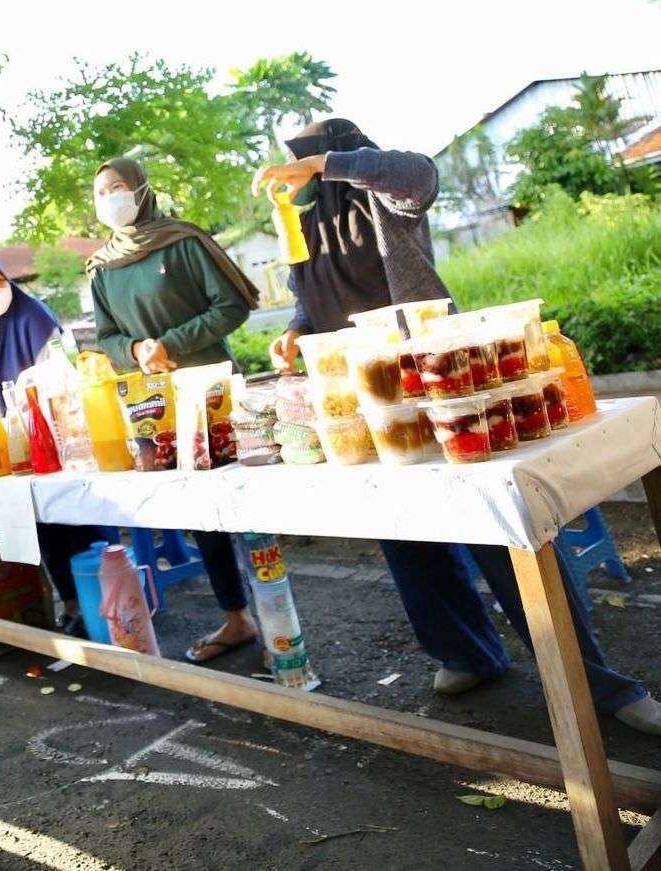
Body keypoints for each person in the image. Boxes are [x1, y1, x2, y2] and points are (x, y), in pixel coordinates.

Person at [254, 118, 661, 734]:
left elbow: (416, 171)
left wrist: (324, 165)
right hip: (360, 396)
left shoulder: (382, 192)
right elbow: (308, 294)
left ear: (330, 158)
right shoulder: (302, 221)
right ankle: (467, 651)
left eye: (302, 164)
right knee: (403, 531)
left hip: (435, 375)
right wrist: (294, 330)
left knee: (493, 531)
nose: (295, 177)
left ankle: (600, 685)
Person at [88, 156, 264, 664]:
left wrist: (168, 342)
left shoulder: (182, 241)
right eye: (100, 193)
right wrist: (139, 352)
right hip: (156, 404)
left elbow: (230, 305)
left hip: (211, 389)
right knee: (199, 511)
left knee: (244, 500)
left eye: (118, 187)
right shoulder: (102, 267)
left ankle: (281, 612)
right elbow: (106, 337)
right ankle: (237, 617)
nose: (110, 199)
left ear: (141, 190)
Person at [0, 256, 114, 636]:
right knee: (41, 524)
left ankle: (109, 596)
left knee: (77, 514)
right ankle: (73, 602)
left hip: (56, 432)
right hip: (7, 444)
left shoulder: (34, 316)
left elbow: (61, 373)